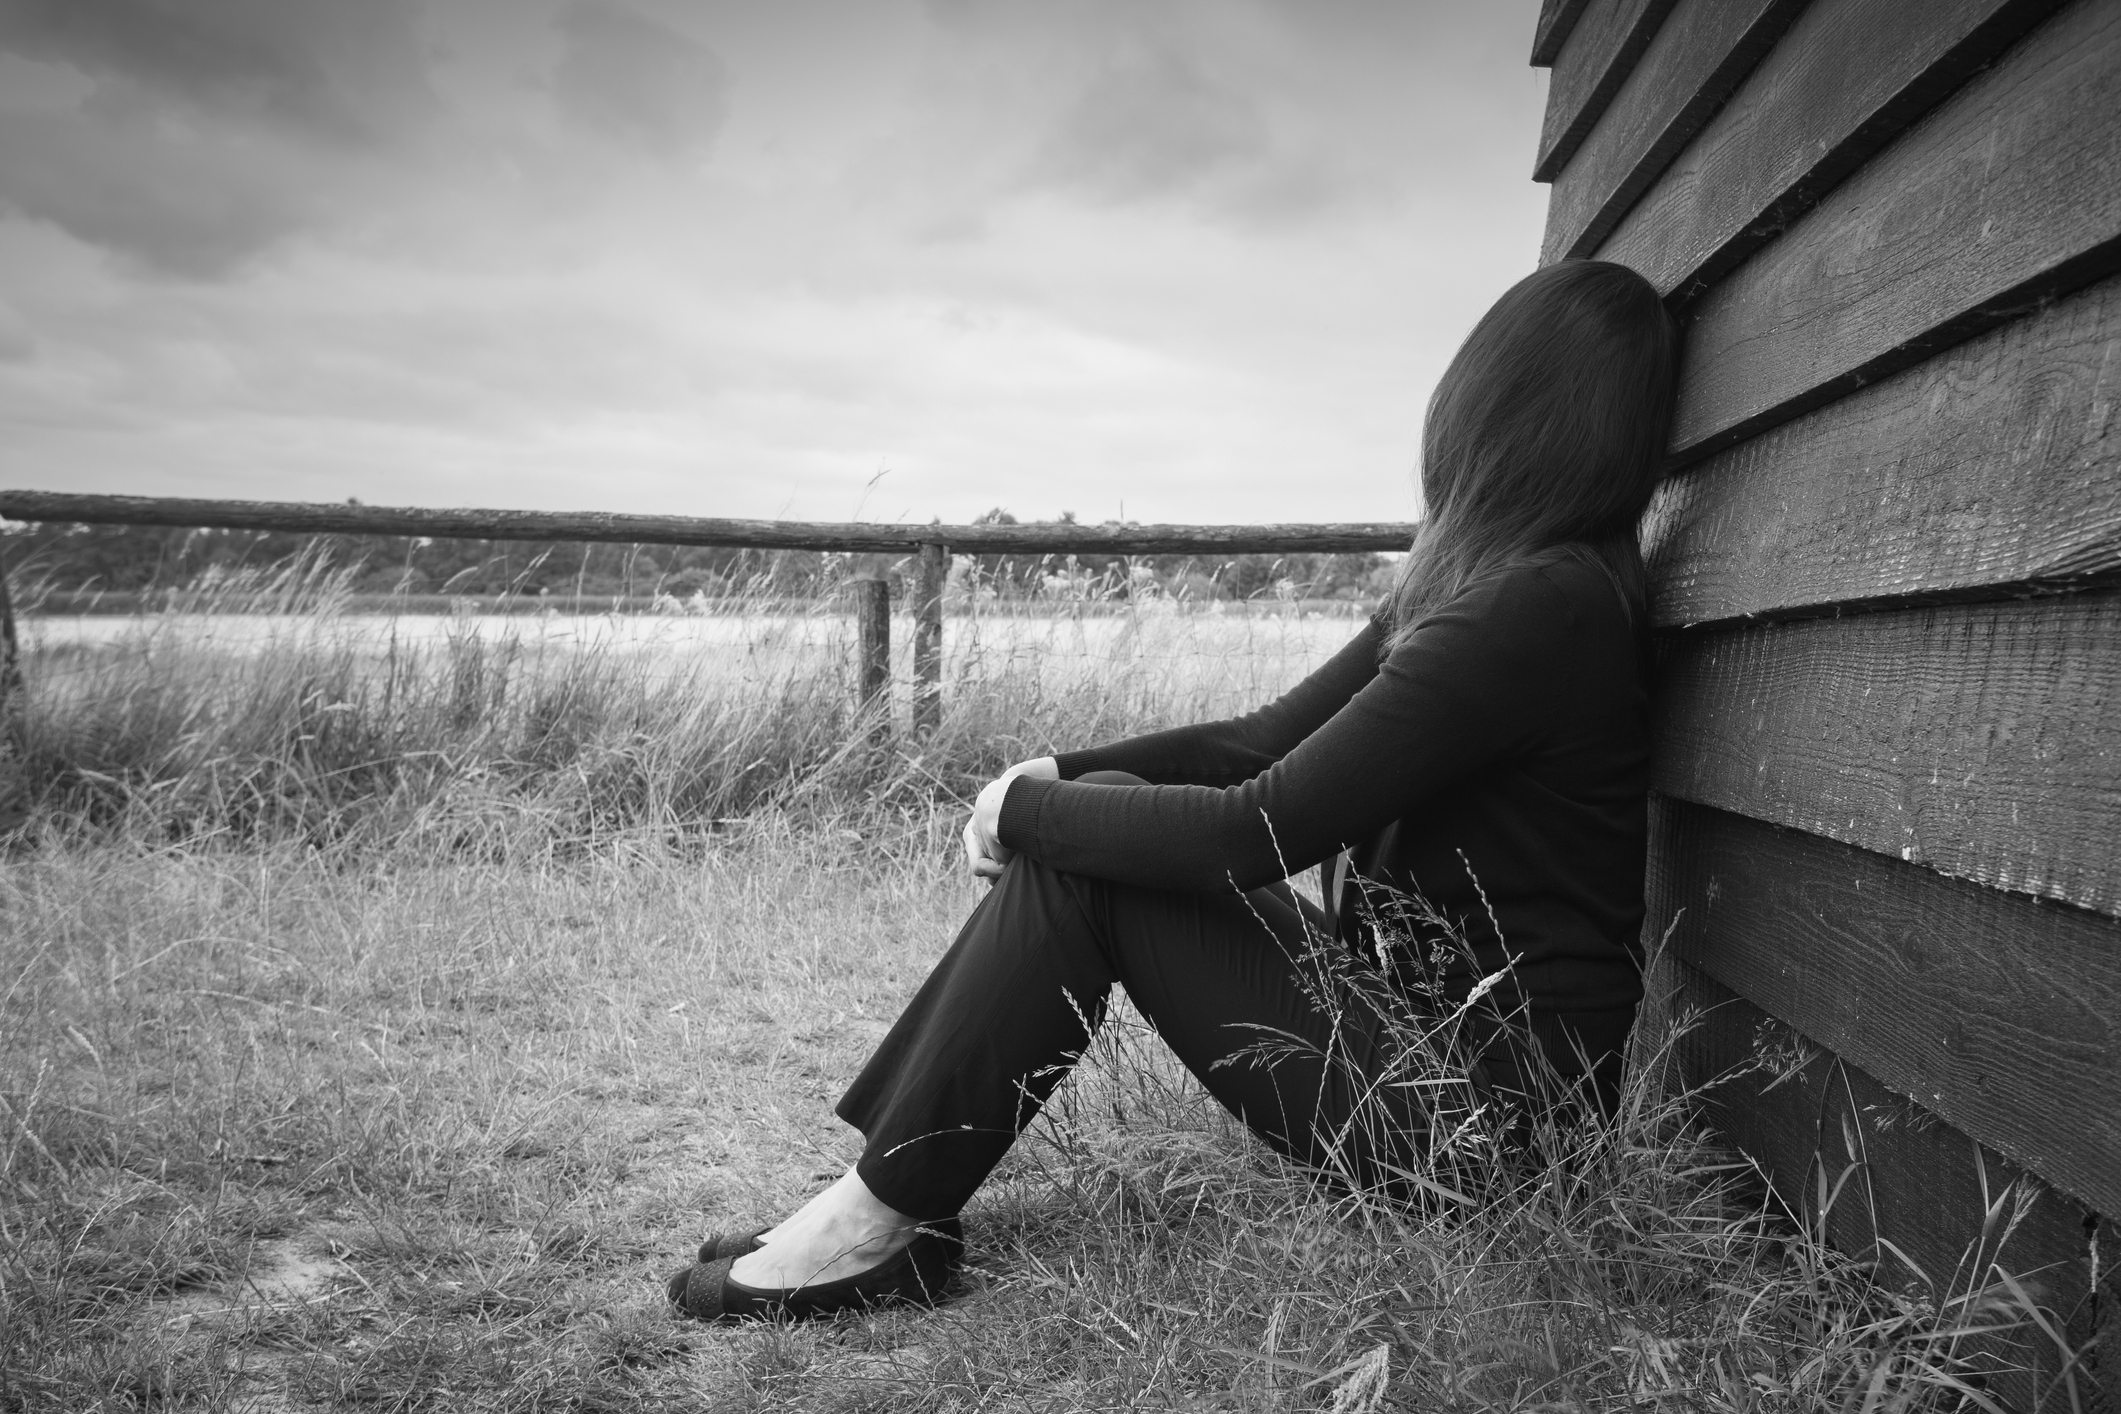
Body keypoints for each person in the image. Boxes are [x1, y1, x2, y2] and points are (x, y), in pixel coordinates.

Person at [665, 259, 1680, 1322]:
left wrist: (1026, 814)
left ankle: (875, 1219)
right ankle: (883, 1196)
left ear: (1491, 408)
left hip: (1487, 1132)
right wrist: (1059, 771)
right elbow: (1258, 743)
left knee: (1091, 869)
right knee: (1093, 826)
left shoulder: (1543, 610)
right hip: (1425, 1052)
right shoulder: (1499, 587)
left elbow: (1254, 828)